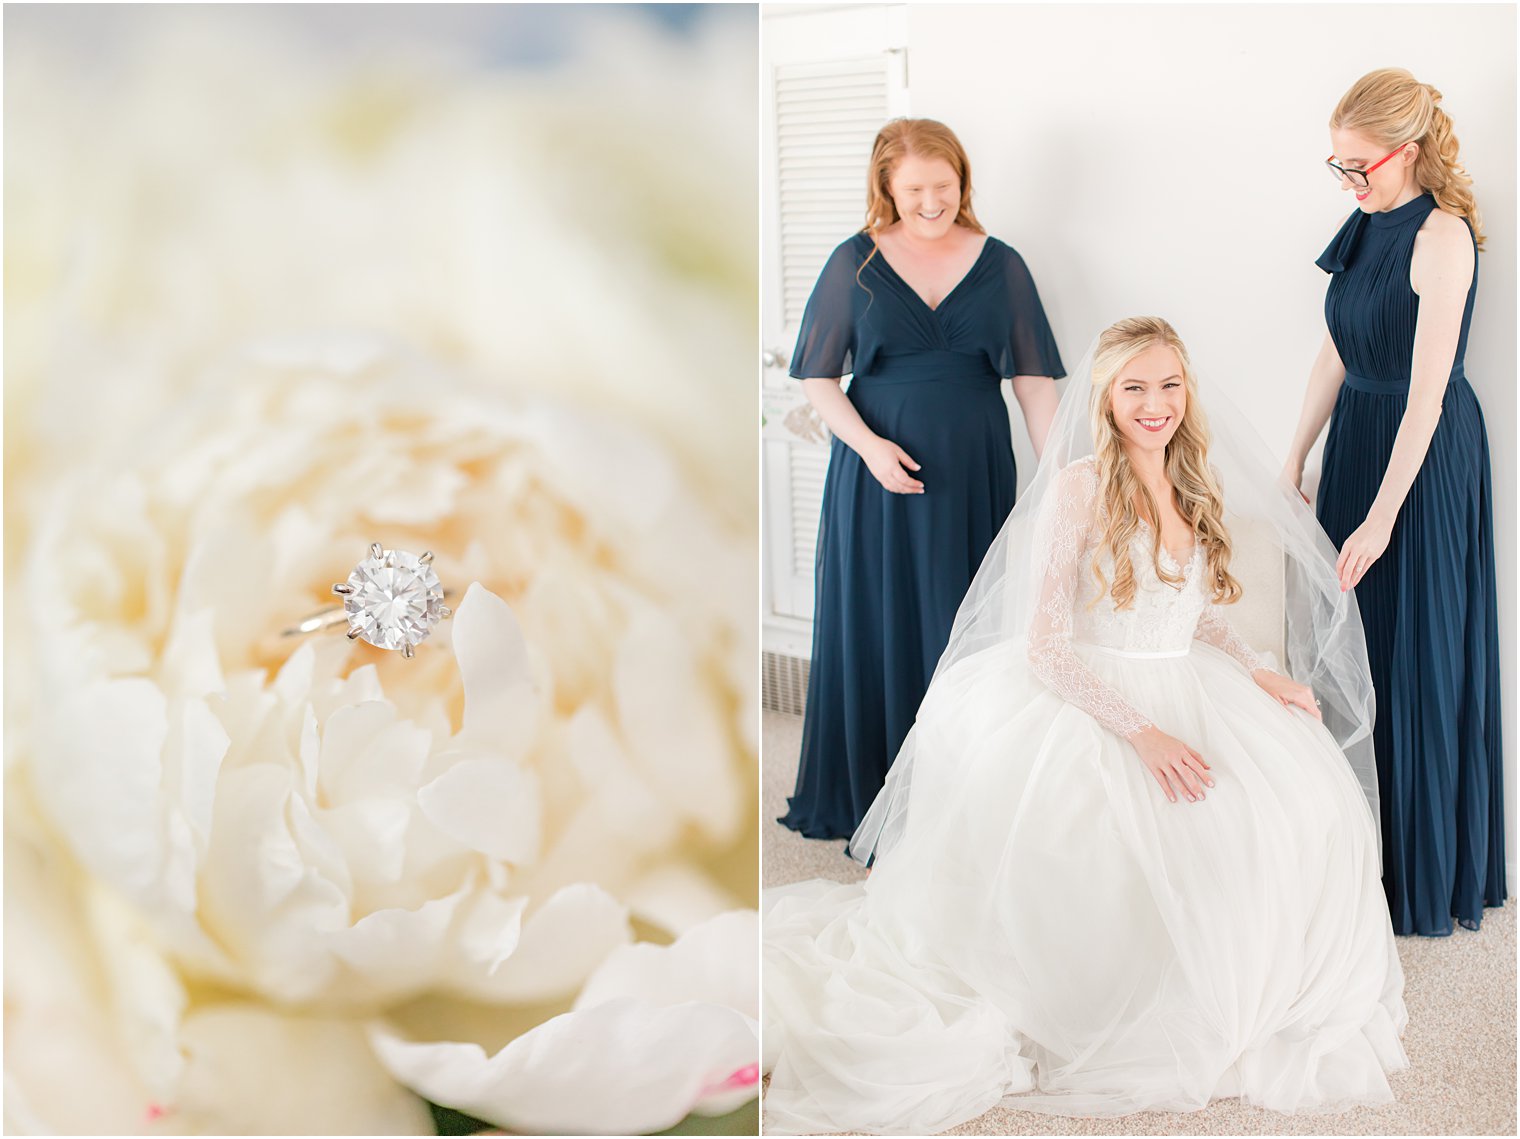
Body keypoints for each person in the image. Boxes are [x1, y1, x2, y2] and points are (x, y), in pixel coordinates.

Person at [763, 318, 1407, 1135]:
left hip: (1188, 676)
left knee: (1287, 806)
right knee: (1110, 837)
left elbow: (1191, 607)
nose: (1155, 403)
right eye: (1135, 386)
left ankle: (1240, 982)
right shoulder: (1078, 486)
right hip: (1090, 690)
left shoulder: (1190, 474)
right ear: (1105, 395)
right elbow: (1047, 646)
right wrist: (1142, 732)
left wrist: (1258, 668)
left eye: (1169, 385)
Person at [780, 117, 1065, 841]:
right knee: (878, 620)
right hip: (874, 477)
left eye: (944, 186)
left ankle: (955, 799)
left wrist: (1063, 476)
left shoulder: (1002, 264)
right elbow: (817, 377)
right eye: (914, 191)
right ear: (886, 189)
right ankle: (874, 793)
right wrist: (871, 447)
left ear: (963, 183)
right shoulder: (855, 262)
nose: (931, 202)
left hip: (972, 474)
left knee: (962, 626)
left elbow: (1033, 383)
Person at [1283, 68, 1505, 936]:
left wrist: (1381, 515)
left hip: (1424, 454)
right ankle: (1359, 863)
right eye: (1336, 166)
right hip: (1356, 446)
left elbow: (1429, 393)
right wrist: (1295, 456)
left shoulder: (1443, 236)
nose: (1347, 181)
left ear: (1405, 152)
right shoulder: (1363, 223)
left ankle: (1423, 872)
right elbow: (1337, 350)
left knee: (1417, 649)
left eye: (1359, 165)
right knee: (1352, 650)